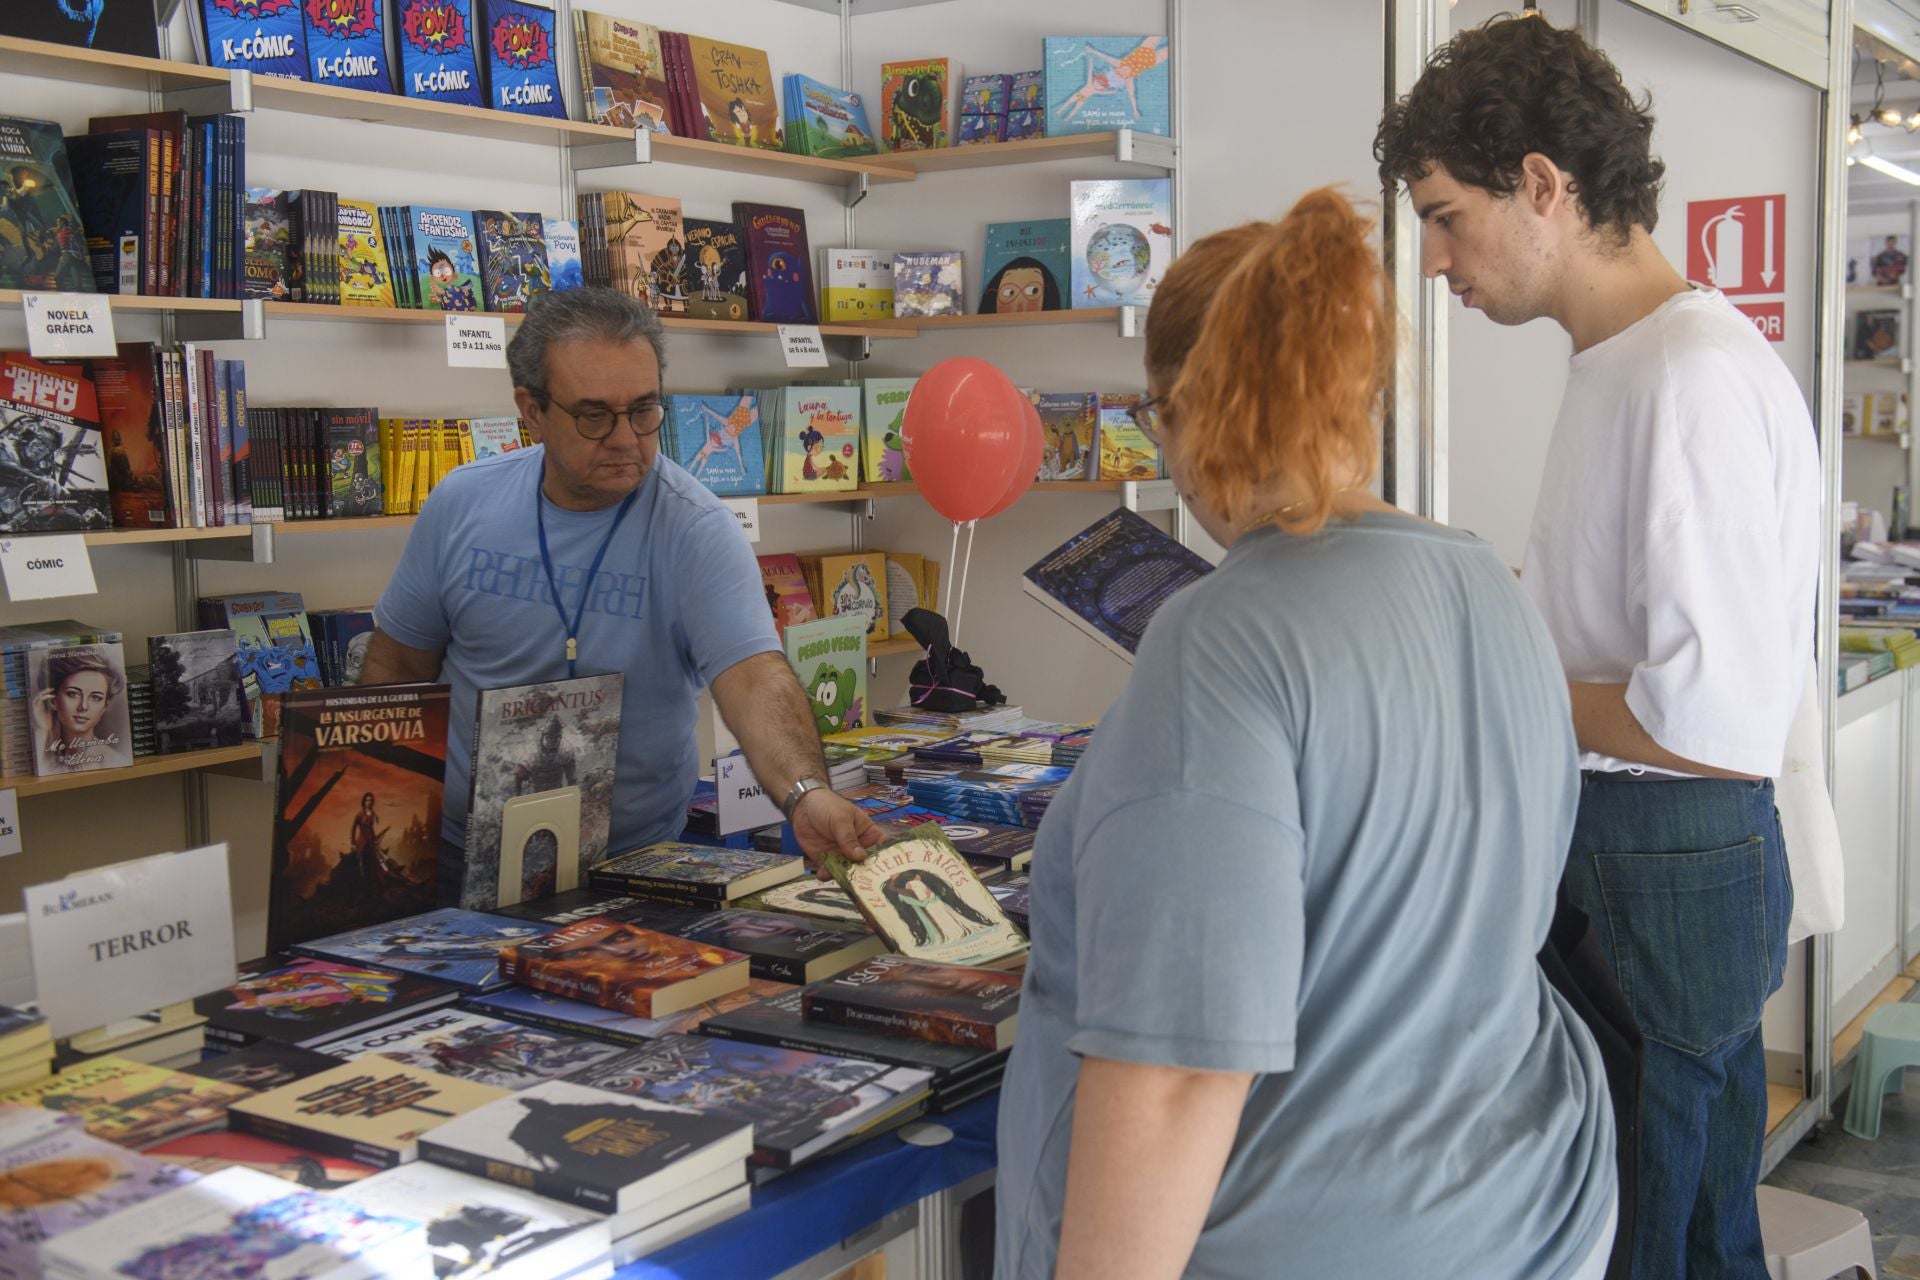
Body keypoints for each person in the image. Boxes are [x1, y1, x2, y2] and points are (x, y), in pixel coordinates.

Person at [994, 188, 1615, 1279]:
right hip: (1524, 1207)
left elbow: (1177, 1069)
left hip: (1297, 1233)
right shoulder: (1493, 588)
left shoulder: (1221, 638)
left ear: (1183, 414)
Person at [1376, 17, 1818, 1278]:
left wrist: (1502, 676)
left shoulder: (1689, 374)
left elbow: (1705, 721)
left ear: (1542, 184)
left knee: (1656, 1239)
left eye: (1445, 216)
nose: (1433, 259)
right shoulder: (1626, 362)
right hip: (1637, 852)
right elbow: (1621, 622)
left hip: (1665, 851)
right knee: (1656, 1226)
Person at [361, 287, 881, 888]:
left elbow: (754, 678)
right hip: (454, 859)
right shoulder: (461, 503)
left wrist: (805, 792)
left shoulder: (696, 527)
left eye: (643, 410)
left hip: (632, 868)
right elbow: (397, 668)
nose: (626, 439)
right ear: (531, 410)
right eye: (594, 416)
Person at [32, 645, 123, 774]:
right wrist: (42, 731)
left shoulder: (114, 762)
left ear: (105, 706)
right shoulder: (43, 755)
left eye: (96, 697)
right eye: (73, 694)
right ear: (53, 700)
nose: (83, 706)